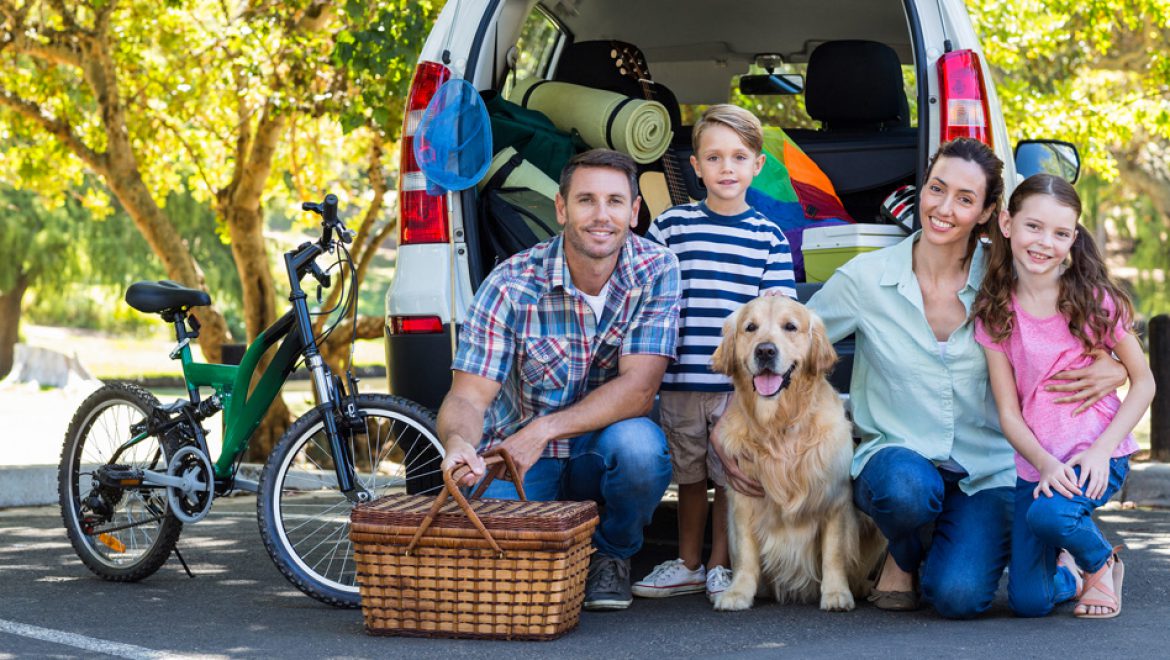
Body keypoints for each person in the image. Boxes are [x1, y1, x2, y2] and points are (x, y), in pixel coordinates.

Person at [711, 138, 1126, 619]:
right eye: (937, 189)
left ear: (990, 213)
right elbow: (785, 342)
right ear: (920, 190)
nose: (944, 209)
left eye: (965, 199)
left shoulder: (1009, 281)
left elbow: (1091, 330)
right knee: (902, 490)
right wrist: (729, 421)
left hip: (984, 469)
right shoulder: (866, 278)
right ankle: (901, 554)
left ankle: (1048, 563)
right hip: (898, 462)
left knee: (957, 597)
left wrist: (1114, 365)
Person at [437, 148, 679, 612]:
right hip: (517, 461)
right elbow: (468, 395)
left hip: (597, 450)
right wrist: (458, 443)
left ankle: (612, 553)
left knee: (641, 450)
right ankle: (549, 539)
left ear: (634, 211)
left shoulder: (657, 270)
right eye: (586, 200)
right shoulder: (511, 283)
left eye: (614, 201)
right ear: (562, 208)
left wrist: (542, 430)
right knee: (499, 574)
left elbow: (639, 390)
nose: (601, 215)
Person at [632, 105, 796, 603]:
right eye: (714, 157)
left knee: (733, 476)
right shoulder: (670, 227)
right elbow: (648, 294)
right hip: (680, 379)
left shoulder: (769, 238)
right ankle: (687, 562)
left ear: (757, 166)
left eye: (739, 157)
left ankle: (724, 564)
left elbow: (776, 319)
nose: (727, 168)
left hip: (738, 389)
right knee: (689, 474)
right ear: (696, 166)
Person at [973, 174, 1155, 619]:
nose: (1044, 243)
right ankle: (1070, 573)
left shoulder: (1094, 301)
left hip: (1096, 456)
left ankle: (1101, 562)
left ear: (1073, 238)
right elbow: (1009, 415)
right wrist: (1045, 465)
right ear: (1007, 223)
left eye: (1059, 233)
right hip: (1038, 465)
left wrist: (1101, 450)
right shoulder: (996, 313)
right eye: (1033, 227)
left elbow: (1144, 381)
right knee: (1029, 602)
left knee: (1051, 517)